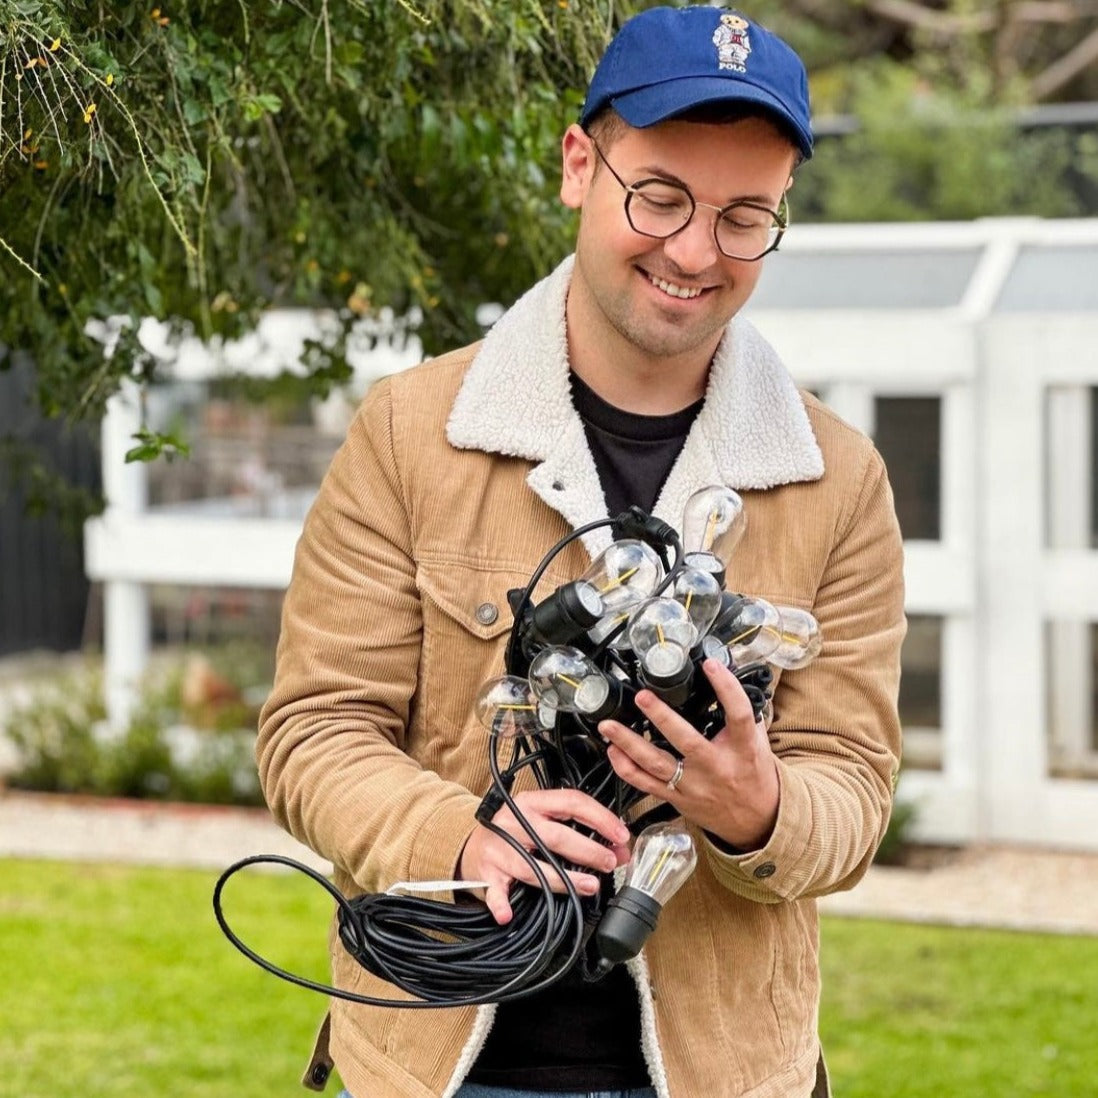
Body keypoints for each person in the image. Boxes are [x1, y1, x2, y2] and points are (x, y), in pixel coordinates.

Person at [256, 6, 906, 1098]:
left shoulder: (838, 480)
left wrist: (760, 810)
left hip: (723, 1076)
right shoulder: (412, 434)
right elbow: (312, 732)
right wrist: (460, 834)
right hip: (434, 1065)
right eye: (660, 196)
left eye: (745, 217)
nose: (694, 251)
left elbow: (853, 787)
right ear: (577, 167)